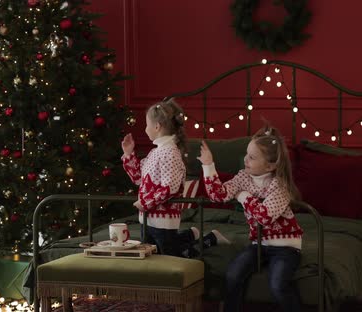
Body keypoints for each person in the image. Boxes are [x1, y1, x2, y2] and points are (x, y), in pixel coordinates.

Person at [197, 125, 303, 312]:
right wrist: (208, 165)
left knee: (277, 284)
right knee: (233, 275)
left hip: (286, 247)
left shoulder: (280, 186)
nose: (245, 159)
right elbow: (218, 195)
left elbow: (264, 217)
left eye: (252, 157)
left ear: (270, 165)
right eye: (246, 153)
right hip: (258, 244)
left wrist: (242, 196)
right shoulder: (243, 177)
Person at [121, 99, 229, 257]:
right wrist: (128, 154)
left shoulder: (170, 153)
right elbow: (138, 178)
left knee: (174, 256)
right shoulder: (155, 152)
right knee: (153, 255)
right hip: (147, 218)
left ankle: (211, 238)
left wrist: (145, 202)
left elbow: (170, 188)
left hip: (162, 219)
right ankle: (191, 234)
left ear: (157, 127)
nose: (145, 129)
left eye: (147, 125)